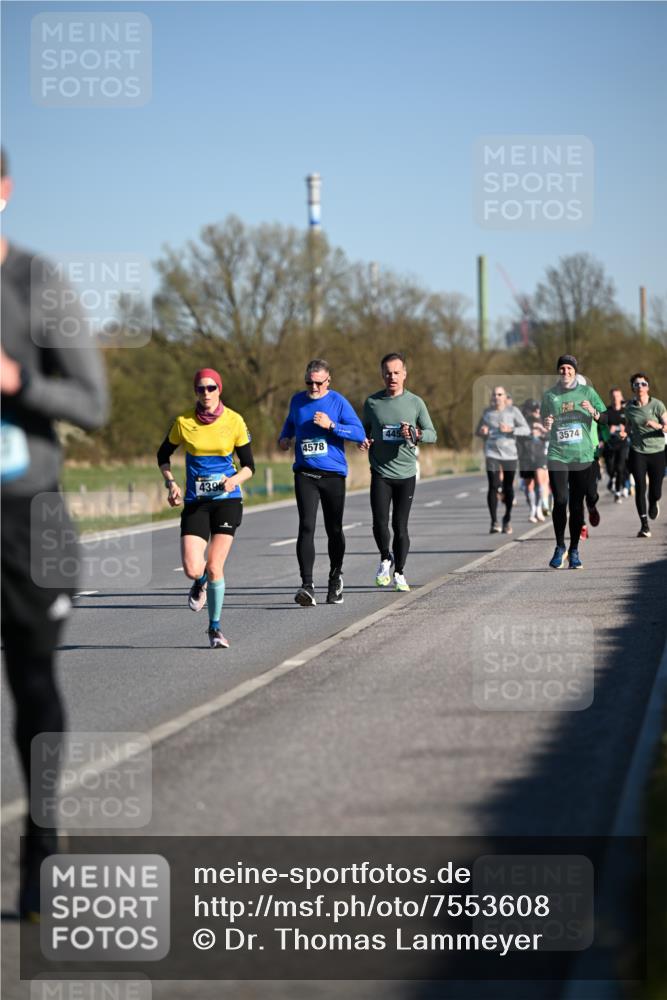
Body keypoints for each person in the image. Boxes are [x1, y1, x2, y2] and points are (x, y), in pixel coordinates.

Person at [1, 148, 109, 917]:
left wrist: (19, 383)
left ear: (3, 191)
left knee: (31, 687)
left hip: (22, 514)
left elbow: (94, 403)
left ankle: (42, 841)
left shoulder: (36, 284)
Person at [157, 367, 254, 647]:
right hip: (195, 502)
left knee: (214, 566)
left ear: (219, 390)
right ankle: (197, 583)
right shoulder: (183, 422)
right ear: (195, 392)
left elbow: (250, 467)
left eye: (211, 388)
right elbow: (163, 455)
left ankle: (215, 628)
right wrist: (171, 483)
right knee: (192, 567)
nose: (206, 393)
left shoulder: (234, 421)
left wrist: (233, 479)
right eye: (201, 389)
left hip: (227, 501)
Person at [278, 359, 365, 606]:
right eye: (309, 382)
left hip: (333, 476)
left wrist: (332, 425)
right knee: (306, 526)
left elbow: (358, 433)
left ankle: (335, 578)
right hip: (305, 474)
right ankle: (307, 585)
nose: (314, 388)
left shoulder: (338, 401)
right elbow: (289, 425)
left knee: (334, 529)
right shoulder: (297, 400)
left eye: (318, 383)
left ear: (328, 381)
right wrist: (284, 439)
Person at [360, 352, 436, 592]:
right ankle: (385, 558)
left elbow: (432, 434)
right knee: (379, 523)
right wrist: (362, 442)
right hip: (381, 472)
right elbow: (363, 432)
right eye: (387, 373)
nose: (392, 377)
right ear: (382, 375)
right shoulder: (372, 403)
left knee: (400, 525)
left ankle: (400, 572)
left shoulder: (415, 403)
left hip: (405, 474)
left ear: (404, 374)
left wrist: (415, 433)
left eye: (396, 372)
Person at [541, 355, 606, 569]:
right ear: (558, 371)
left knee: (576, 505)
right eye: (562, 368)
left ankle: (575, 550)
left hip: (582, 456)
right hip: (558, 454)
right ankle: (560, 547)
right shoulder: (550, 395)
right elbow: (544, 421)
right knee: (560, 500)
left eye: (569, 368)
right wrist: (546, 423)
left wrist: (593, 412)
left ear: (575, 371)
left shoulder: (587, 392)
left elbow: (605, 418)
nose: (565, 372)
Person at [476, 386, 530, 534]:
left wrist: (510, 430)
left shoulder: (513, 411)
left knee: (508, 487)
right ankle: (494, 521)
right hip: (492, 453)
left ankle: (507, 518)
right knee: (493, 485)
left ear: (505, 397)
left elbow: (526, 429)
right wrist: (482, 432)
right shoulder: (487, 413)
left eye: (500, 394)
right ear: (491, 397)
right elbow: (478, 430)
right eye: (494, 395)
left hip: (510, 454)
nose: (497, 397)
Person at [623, 372, 667, 538]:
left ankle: (654, 501)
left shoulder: (657, 405)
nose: (640, 386)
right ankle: (644, 526)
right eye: (636, 384)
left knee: (655, 490)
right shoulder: (629, 408)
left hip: (657, 452)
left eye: (643, 384)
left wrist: (657, 425)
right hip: (637, 451)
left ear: (648, 387)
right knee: (640, 487)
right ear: (633, 388)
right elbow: (628, 426)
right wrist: (624, 433)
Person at [517, 399, 549, 523]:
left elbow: (550, 435)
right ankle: (532, 510)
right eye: (534, 409)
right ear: (528, 410)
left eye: (538, 408)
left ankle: (538, 509)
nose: (537, 411)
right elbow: (516, 436)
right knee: (528, 485)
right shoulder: (521, 422)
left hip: (540, 455)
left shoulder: (542, 420)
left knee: (541, 483)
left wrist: (541, 432)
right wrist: (530, 432)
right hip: (525, 457)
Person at [604, 387, 629, 502]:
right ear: (611, 397)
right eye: (613, 396)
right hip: (610, 444)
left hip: (622, 444)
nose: (615, 399)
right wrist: (609, 430)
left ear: (621, 396)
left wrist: (625, 430)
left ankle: (618, 492)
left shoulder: (625, 411)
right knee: (610, 469)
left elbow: (631, 425)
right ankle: (612, 479)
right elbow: (600, 428)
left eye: (617, 396)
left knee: (620, 468)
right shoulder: (607, 411)